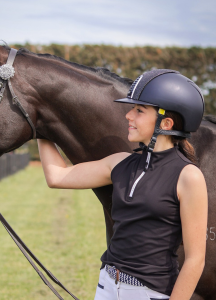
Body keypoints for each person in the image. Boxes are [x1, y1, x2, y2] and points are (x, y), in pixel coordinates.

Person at [37, 69, 207, 300]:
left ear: (166, 123)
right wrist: (40, 125)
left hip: (150, 293)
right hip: (107, 286)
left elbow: (195, 259)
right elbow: (56, 176)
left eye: (139, 110)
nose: (128, 116)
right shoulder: (119, 163)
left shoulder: (188, 176)